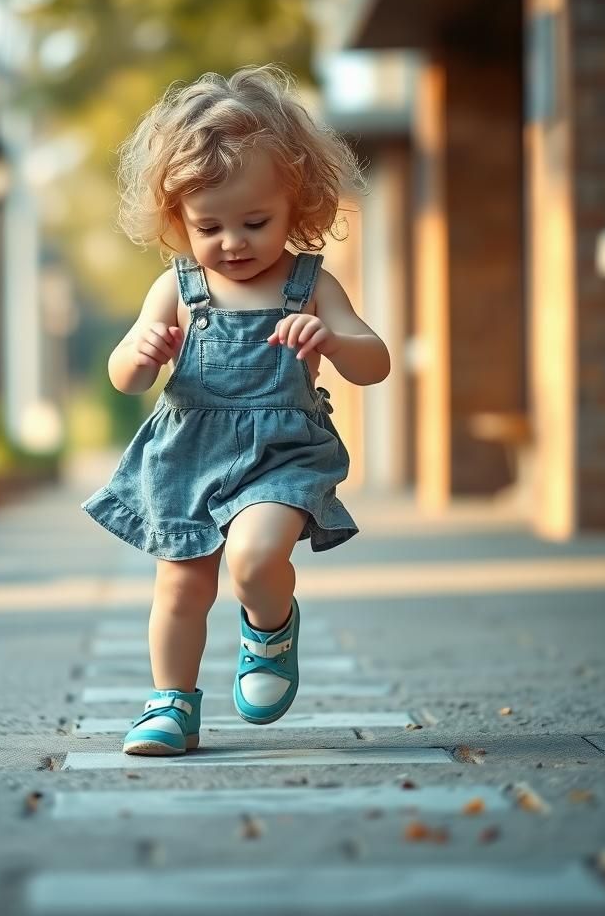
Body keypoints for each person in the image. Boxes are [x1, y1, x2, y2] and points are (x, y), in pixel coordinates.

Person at [80, 64, 391, 756]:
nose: (232, 243)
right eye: (208, 226)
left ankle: (270, 627)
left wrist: (333, 339)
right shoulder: (176, 288)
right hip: (188, 455)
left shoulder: (310, 284)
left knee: (253, 559)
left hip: (281, 453)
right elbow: (124, 375)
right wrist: (143, 351)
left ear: (298, 205)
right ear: (175, 219)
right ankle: (171, 704)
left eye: (256, 222)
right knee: (182, 588)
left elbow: (374, 363)